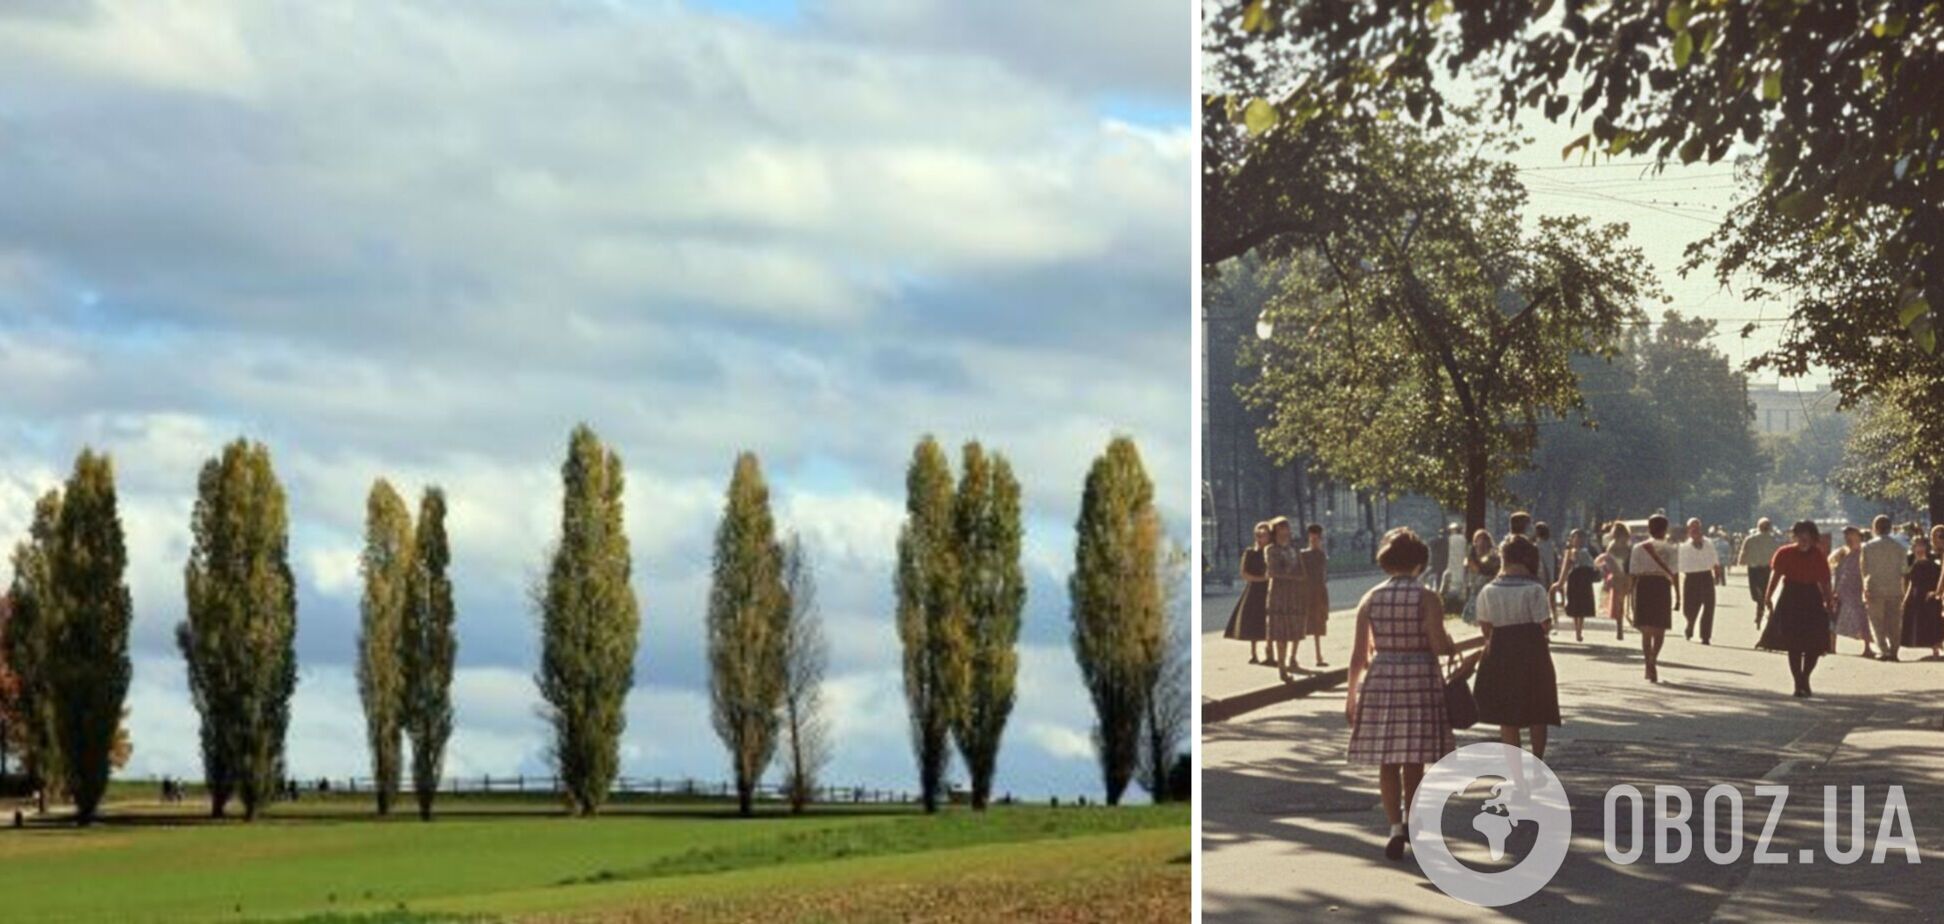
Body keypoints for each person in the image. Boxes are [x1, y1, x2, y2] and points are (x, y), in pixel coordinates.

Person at [1346, 527, 1458, 862]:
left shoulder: (1370, 598)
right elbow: (1438, 644)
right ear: (1420, 563)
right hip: (1419, 678)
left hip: (1381, 679)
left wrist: (1351, 694)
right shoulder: (1427, 598)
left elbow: (1357, 655)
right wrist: (1449, 642)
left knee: (1387, 758)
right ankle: (1412, 819)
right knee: (1415, 757)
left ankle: (1394, 826)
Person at [1472, 536, 1562, 759]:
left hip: (1500, 652)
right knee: (1538, 712)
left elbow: (1486, 628)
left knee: (1507, 717)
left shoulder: (1488, 590)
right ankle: (1538, 761)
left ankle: (1516, 774)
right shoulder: (1534, 589)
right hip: (1532, 652)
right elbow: (1544, 623)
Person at [1758, 520, 1837, 697]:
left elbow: (1824, 580)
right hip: (1791, 598)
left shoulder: (1818, 555)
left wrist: (1828, 600)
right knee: (1794, 644)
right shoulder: (1784, 553)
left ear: (1812, 537)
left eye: (1807, 534)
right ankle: (1797, 682)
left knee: (1814, 645)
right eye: (1800, 534)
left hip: (1812, 598)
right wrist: (1768, 596)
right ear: (1795, 536)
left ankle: (1805, 677)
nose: (1803, 538)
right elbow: (1776, 575)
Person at [1629, 514, 1679, 683]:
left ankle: (1647, 663)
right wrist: (1678, 596)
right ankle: (1653, 660)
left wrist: (1630, 595)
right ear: (1665, 529)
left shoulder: (1638, 548)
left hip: (1644, 585)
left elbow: (1633, 573)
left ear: (1649, 528)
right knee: (1660, 627)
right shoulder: (1671, 549)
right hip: (1662, 586)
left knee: (1646, 629)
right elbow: (1675, 573)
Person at [1221, 522, 1273, 665]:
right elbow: (1244, 573)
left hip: (1270, 589)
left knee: (1270, 621)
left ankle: (1270, 653)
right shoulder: (1250, 552)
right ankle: (1254, 653)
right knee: (1253, 620)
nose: (1260, 538)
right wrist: (1262, 579)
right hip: (1255, 590)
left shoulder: (1272, 552)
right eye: (1257, 535)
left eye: (1263, 535)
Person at [1265, 518, 1307, 681]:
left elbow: (1302, 571)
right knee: (1280, 631)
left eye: (1286, 528)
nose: (1285, 532)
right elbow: (1272, 572)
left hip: (1293, 594)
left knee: (1291, 629)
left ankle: (1291, 660)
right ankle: (1281, 667)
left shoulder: (1294, 550)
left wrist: (1300, 579)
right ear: (1275, 532)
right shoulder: (1271, 550)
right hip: (1278, 594)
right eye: (1281, 529)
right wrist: (1292, 576)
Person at [1860, 514, 1907, 661]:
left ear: (1875, 528)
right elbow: (1904, 570)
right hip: (1894, 588)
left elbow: (1864, 570)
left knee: (1876, 621)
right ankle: (1894, 650)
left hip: (1875, 588)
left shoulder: (1867, 547)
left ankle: (1883, 649)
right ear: (1890, 528)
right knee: (1894, 622)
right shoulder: (1900, 547)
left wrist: (1865, 588)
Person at [1830, 527, 1873, 657]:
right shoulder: (1841, 554)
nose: (1848, 538)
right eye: (1846, 536)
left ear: (1859, 537)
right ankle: (1831, 647)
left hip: (1858, 589)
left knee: (1862, 618)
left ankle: (1867, 647)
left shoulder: (1865, 553)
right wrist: (1833, 591)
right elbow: (1837, 573)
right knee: (1834, 618)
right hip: (1843, 590)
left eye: (1851, 535)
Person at [1678, 518, 1722, 644]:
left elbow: (1714, 558)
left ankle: (1705, 635)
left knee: (1709, 606)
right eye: (1692, 527)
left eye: (1697, 527)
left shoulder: (1708, 543)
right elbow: (1679, 565)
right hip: (1691, 578)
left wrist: (1717, 572)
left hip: (1706, 576)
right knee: (1689, 608)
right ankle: (1690, 623)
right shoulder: (1684, 546)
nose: (1695, 530)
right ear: (1688, 529)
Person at [1903, 532, 1943, 658]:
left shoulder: (1933, 561)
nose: (1920, 548)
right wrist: (1905, 599)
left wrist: (1938, 592)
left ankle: (1936, 646)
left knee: (1932, 621)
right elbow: (1909, 581)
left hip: (1929, 594)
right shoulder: (1910, 561)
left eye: (1922, 545)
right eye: (1917, 545)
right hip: (1916, 594)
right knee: (1919, 621)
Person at [1558, 528, 1599, 642]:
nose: (1579, 540)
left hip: (1585, 579)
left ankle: (1580, 629)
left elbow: (1595, 563)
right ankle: (1577, 630)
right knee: (1575, 605)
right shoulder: (1570, 552)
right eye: (1576, 537)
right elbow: (1566, 567)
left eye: (1581, 538)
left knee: (1583, 606)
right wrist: (1561, 581)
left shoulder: (1588, 551)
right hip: (1575, 579)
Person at [1740, 518, 1782, 628]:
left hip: (1754, 569)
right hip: (1767, 569)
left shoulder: (1750, 539)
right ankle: (1766, 609)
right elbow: (1778, 555)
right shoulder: (1774, 540)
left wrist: (1741, 561)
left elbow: (1743, 552)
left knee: (1756, 593)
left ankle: (1762, 610)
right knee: (1765, 591)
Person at [1301, 524, 1331, 668]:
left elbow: (1324, 575)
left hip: (1319, 592)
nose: (1314, 541)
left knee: (1318, 625)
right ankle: (1293, 656)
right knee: (1301, 624)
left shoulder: (1322, 555)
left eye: (1317, 538)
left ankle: (1319, 656)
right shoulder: (1303, 555)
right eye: (1312, 538)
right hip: (1306, 592)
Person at [1461, 528, 1500, 625]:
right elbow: (1470, 571)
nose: (1480, 544)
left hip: (1488, 588)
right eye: (1478, 540)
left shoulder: (1493, 555)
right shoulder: (1471, 555)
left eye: (1483, 540)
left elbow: (1491, 570)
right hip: (1475, 589)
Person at [1605, 521, 1633, 641]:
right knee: (1625, 601)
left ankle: (1620, 627)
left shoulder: (1612, 545)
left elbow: (1608, 561)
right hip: (1625, 575)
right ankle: (1622, 626)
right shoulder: (1626, 546)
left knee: (1619, 603)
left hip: (1618, 575)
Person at [1533, 522, 1559, 610]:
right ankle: (1553, 614)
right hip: (1550, 572)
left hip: (1540, 574)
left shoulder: (1537, 545)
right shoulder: (1551, 545)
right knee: (1551, 595)